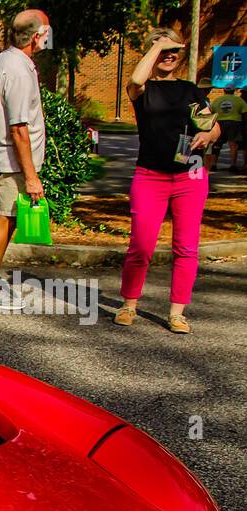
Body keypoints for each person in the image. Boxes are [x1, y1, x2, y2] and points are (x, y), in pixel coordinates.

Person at [114, 29, 219, 334]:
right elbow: (135, 81)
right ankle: (129, 304)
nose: (170, 55)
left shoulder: (190, 90)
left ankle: (177, 313)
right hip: (150, 176)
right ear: (151, 52)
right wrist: (159, 44)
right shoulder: (143, 90)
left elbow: (213, 126)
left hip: (191, 174)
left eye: (175, 50)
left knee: (186, 247)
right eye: (164, 50)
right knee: (141, 246)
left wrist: (209, 134)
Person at [0, 9, 52, 310]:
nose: (47, 38)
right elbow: (19, 128)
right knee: (4, 218)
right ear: (36, 36)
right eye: (45, 32)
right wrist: (32, 177)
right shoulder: (17, 69)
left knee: (7, 217)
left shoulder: (7, 61)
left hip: (12, 161)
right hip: (14, 163)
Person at [209, 86, 243, 172]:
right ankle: (233, 165)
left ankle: (213, 165)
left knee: (217, 144)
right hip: (234, 123)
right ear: (234, 91)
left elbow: (211, 111)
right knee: (233, 145)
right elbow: (245, 111)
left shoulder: (217, 100)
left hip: (219, 123)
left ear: (224, 91)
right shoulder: (238, 100)